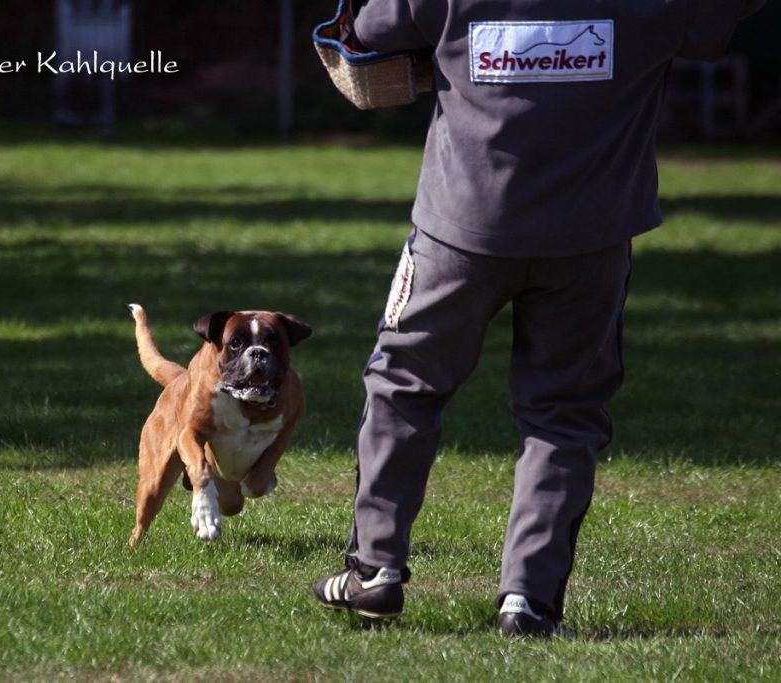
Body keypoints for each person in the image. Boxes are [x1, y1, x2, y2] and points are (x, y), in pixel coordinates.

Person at [313, 0, 766, 636]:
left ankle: (375, 570)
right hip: (591, 240)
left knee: (403, 389)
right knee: (564, 413)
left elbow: (363, 31)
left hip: (459, 234)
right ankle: (528, 600)